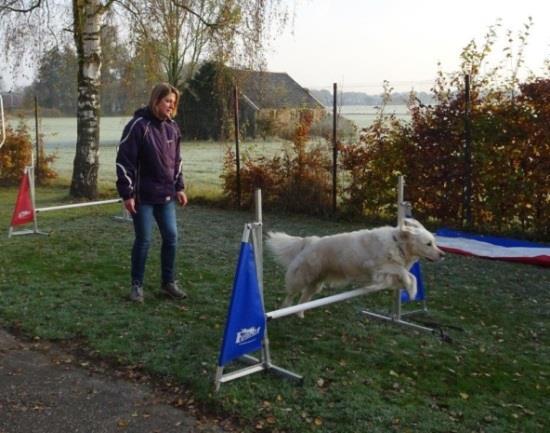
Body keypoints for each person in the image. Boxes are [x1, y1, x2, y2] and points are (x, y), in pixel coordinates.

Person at [116, 82, 188, 303]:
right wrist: (127, 194)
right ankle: (136, 286)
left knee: (171, 237)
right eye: (167, 101)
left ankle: (168, 283)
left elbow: (177, 162)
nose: (170, 106)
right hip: (143, 197)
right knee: (144, 240)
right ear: (156, 100)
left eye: (173, 103)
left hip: (166, 196)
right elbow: (123, 162)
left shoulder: (173, 128)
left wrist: (180, 187)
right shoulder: (138, 125)